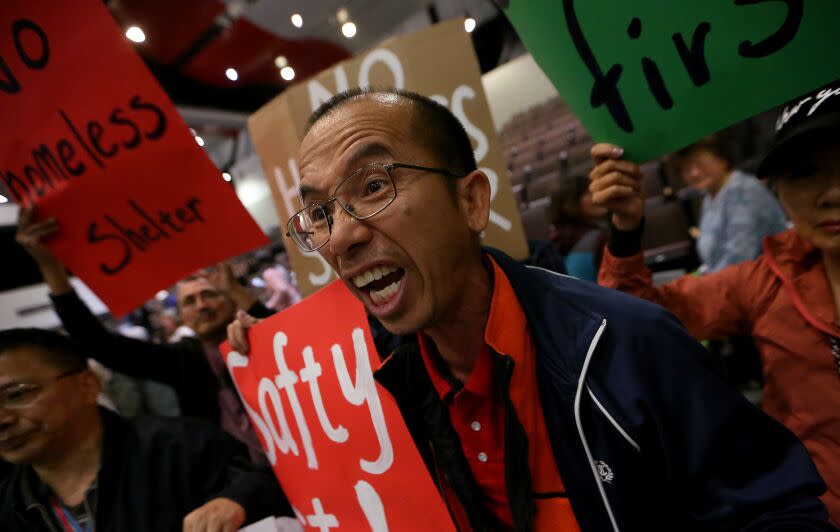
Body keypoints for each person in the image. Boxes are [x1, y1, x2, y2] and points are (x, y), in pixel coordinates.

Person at [228, 87, 834, 530]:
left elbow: (779, 513)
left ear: (471, 202)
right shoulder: (369, 380)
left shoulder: (624, 343)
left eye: (374, 185)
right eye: (321, 214)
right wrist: (270, 356)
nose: (340, 237)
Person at [594, 82, 840, 524]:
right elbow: (635, 318)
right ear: (780, 189)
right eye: (806, 172)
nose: (833, 193)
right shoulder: (765, 281)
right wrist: (627, 230)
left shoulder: (741, 196)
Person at [15, 211, 274, 463]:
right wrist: (51, 269)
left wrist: (236, 292)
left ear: (230, 300)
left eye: (210, 295)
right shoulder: (181, 361)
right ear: (182, 316)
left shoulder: (260, 341)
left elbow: (281, 333)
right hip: (234, 476)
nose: (201, 306)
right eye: (189, 301)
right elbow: (98, 343)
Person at [0, 328, 289, 531]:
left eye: (17, 394)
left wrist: (238, 502)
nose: (3, 419)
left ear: (87, 385)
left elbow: (273, 485)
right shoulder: (8, 506)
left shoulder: (184, 448)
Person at [671, 133, 787, 273]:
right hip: (729, 281)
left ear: (722, 160)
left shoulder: (744, 190)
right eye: (686, 168)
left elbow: (740, 259)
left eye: (699, 163)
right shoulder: (710, 195)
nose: (694, 173)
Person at [548, 174, 608, 281]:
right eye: (589, 193)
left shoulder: (557, 240)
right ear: (571, 203)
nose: (598, 196)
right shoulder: (599, 238)